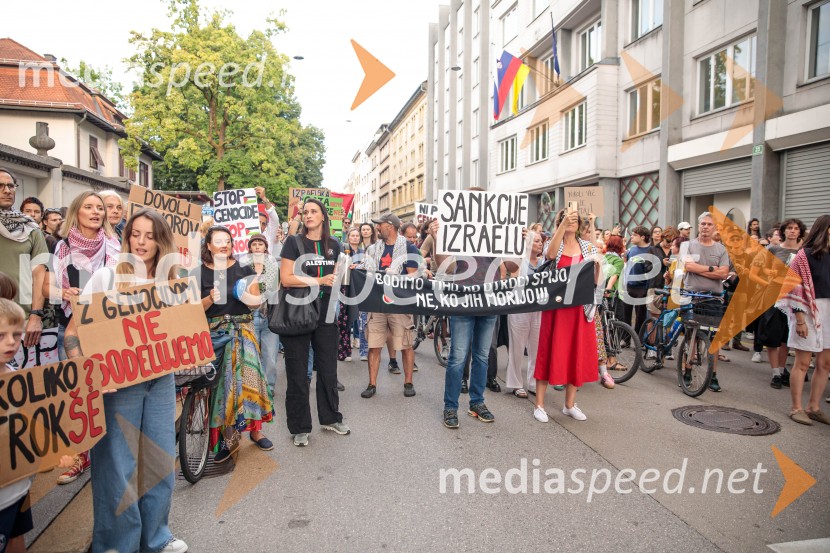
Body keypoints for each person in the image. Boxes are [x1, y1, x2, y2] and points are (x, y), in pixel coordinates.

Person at [63, 210, 188, 553]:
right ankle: (117, 544)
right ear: (127, 236)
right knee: (117, 466)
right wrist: (88, 372)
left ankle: (156, 537)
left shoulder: (172, 282)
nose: (142, 242)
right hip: (117, 384)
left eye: (150, 235)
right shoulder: (106, 277)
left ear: (162, 241)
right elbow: (73, 333)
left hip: (160, 380)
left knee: (159, 459)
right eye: (136, 234)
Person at [45, 191, 120, 485]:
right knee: (79, 394)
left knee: (108, 393)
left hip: (107, 330)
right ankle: (80, 456)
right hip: (72, 329)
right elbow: (47, 287)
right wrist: (63, 292)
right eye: (89, 207)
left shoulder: (115, 245)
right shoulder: (61, 247)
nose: (96, 211)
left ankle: (108, 453)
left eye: (99, 207)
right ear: (76, 212)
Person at [197, 226, 273, 462]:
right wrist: (210, 299)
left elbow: (255, 303)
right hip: (215, 335)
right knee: (222, 387)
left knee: (250, 381)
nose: (224, 245)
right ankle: (228, 439)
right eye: (219, 241)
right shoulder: (199, 273)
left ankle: (256, 432)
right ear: (208, 245)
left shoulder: (243, 269)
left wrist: (250, 294)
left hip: (243, 330)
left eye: (228, 241)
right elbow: (193, 308)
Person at [279, 199, 349, 447]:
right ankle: (300, 427)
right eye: (305, 212)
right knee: (298, 373)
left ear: (323, 216)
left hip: (326, 313)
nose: (308, 215)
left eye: (313, 211)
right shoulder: (293, 242)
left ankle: (331, 418)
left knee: (328, 370)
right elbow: (286, 278)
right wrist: (318, 281)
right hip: (298, 312)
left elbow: (337, 278)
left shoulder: (335, 245)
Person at [431, 214, 507, 429]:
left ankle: (477, 402)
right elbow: (444, 265)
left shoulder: (495, 235)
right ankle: (450, 406)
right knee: (458, 357)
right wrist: (437, 239)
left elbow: (505, 268)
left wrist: (522, 244)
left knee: (482, 356)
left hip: (489, 303)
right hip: (463, 303)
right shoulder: (459, 234)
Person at [534, 209, 601, 422]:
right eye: (565, 218)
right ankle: (539, 405)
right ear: (559, 222)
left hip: (579, 308)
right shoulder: (554, 243)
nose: (571, 221)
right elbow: (550, 255)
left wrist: (599, 265)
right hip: (556, 308)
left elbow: (596, 281)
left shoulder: (588, 247)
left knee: (576, 353)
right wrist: (563, 225)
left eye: (574, 219)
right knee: (548, 351)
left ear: (580, 224)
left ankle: (569, 404)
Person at [360, 213, 421, 399]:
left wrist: (397, 277)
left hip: (399, 304)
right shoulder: (372, 249)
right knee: (374, 345)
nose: (377, 228)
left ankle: (408, 382)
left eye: (380, 225)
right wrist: (358, 269)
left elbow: (415, 275)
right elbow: (365, 269)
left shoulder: (409, 247)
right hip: (377, 304)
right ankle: (372, 384)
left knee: (406, 344)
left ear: (390, 226)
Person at [777, 214, 830, 425]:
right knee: (803, 362)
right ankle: (796, 407)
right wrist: (799, 319)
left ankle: (814, 407)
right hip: (807, 309)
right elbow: (792, 286)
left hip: (828, 312)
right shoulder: (804, 255)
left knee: (825, 363)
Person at [0, 169, 47, 361]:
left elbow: (39, 274)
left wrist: (35, 315)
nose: (7, 190)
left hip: (22, 319)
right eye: (0, 186)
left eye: (10, 186)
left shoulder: (31, 229)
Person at [751, 219, 804, 387]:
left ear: (800, 232)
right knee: (772, 335)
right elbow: (756, 271)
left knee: (786, 338)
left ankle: (782, 370)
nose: (792, 231)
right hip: (773, 296)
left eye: (796, 228)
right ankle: (775, 373)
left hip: (794, 298)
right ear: (783, 231)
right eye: (789, 228)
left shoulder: (803, 251)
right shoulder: (773, 249)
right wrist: (769, 277)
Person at [681, 212, 730, 392]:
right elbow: (688, 266)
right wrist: (711, 269)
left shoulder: (721, 249)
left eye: (709, 224)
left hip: (713, 298)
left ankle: (713, 375)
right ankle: (687, 370)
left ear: (714, 228)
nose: (706, 227)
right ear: (698, 225)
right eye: (703, 224)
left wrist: (699, 269)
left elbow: (724, 273)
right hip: (692, 295)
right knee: (691, 336)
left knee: (713, 339)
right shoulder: (688, 245)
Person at [0, 299, 34, 553]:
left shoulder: (18, 379)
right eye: (1, 336)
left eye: (16, 334)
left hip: (19, 489)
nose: (11, 342)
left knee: (17, 537)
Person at [505, 231, 545, 397]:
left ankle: (534, 382)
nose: (540, 243)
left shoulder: (544, 262)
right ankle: (515, 383)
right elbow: (513, 278)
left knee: (537, 348)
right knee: (517, 347)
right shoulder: (520, 261)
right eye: (536, 241)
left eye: (541, 241)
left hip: (538, 309)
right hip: (520, 308)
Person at [244, 233, 280, 398]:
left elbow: (275, 288)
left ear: (265, 247)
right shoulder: (243, 265)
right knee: (251, 355)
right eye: (254, 244)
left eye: (260, 243)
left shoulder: (273, 264)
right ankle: (253, 388)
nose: (257, 246)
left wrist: (259, 296)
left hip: (268, 314)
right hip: (250, 315)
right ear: (250, 248)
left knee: (270, 356)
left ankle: (269, 387)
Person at [621, 226, 654, 337]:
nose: (631, 237)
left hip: (643, 288)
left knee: (640, 317)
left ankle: (638, 340)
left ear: (643, 237)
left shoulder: (651, 250)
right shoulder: (631, 250)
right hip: (629, 286)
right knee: (626, 316)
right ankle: (625, 339)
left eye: (634, 235)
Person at [338, 227, 362, 362]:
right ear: (348, 237)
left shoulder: (363, 252)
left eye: (357, 235)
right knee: (343, 319)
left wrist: (359, 266)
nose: (355, 238)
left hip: (358, 288)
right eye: (352, 235)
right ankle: (343, 350)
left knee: (356, 319)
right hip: (344, 287)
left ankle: (357, 346)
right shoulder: (343, 250)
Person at [356, 223, 377, 361]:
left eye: (368, 229)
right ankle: (363, 351)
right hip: (360, 286)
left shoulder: (378, 247)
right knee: (362, 320)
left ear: (372, 231)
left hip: (375, 287)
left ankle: (373, 349)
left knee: (375, 322)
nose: (365, 231)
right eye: (363, 229)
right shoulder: (356, 247)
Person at [254, 186, 282, 255]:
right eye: (259, 222)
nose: (261, 226)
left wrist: (264, 198)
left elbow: (275, 219)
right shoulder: (244, 237)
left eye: (263, 224)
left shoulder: (268, 236)